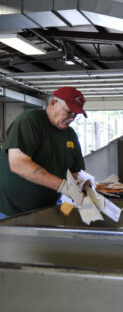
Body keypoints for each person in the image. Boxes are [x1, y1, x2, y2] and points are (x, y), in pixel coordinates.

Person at [0, 87, 87, 218]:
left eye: (76, 115)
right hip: (11, 211)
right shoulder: (31, 121)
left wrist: (85, 186)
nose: (72, 118)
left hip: (46, 209)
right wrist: (63, 187)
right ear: (52, 104)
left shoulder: (70, 135)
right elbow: (18, 164)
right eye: (69, 112)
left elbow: (77, 172)